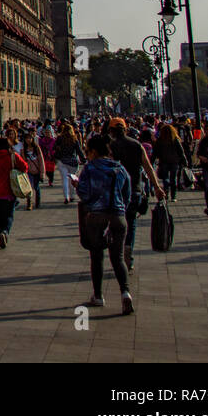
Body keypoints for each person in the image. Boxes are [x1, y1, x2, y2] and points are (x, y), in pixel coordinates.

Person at [76, 134, 134, 315]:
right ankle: (125, 293)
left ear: (93, 151)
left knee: (97, 256)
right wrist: (119, 208)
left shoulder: (90, 168)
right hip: (118, 216)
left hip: (96, 216)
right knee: (117, 258)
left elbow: (84, 195)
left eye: (87, 150)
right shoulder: (119, 168)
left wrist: (76, 185)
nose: (87, 154)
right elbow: (127, 195)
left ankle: (99, 295)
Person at [107, 118, 164, 272]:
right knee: (131, 223)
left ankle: (118, 253)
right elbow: (149, 168)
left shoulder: (110, 147)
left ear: (111, 131)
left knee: (115, 224)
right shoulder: (137, 145)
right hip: (135, 189)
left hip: (116, 191)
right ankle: (128, 250)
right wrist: (157, 187)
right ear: (125, 129)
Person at [153, 123, 190, 202]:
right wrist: (184, 160)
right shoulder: (175, 139)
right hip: (174, 161)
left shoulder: (160, 140)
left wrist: (152, 161)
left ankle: (166, 192)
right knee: (173, 179)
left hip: (163, 161)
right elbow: (181, 151)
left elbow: (155, 152)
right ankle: (173, 196)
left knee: (165, 178)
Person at [53, 125, 84, 204]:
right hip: (72, 162)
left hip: (62, 161)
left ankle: (66, 197)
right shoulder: (74, 139)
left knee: (64, 179)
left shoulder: (60, 138)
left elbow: (54, 147)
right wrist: (83, 160)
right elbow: (79, 151)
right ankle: (72, 196)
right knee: (72, 179)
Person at [19, 131, 46, 209]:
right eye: (26, 138)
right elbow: (23, 161)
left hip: (37, 170)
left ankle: (38, 202)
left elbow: (41, 160)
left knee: (36, 187)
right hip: (28, 171)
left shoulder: (36, 148)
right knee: (29, 187)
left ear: (32, 139)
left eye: (29, 138)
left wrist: (42, 172)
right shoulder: (23, 149)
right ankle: (29, 203)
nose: (28, 140)